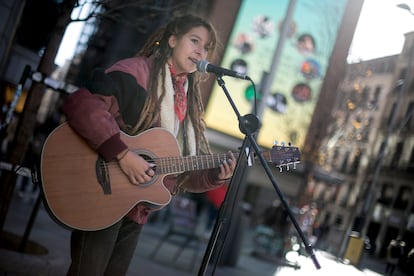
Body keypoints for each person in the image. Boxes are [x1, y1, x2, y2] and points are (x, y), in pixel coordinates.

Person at [62, 14, 236, 275]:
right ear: (173, 39)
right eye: (194, 41)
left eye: (207, 47)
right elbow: (81, 104)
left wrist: (214, 176)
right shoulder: (137, 72)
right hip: (102, 193)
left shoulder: (187, 106)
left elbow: (178, 174)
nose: (201, 51)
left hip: (136, 209)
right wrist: (122, 154)